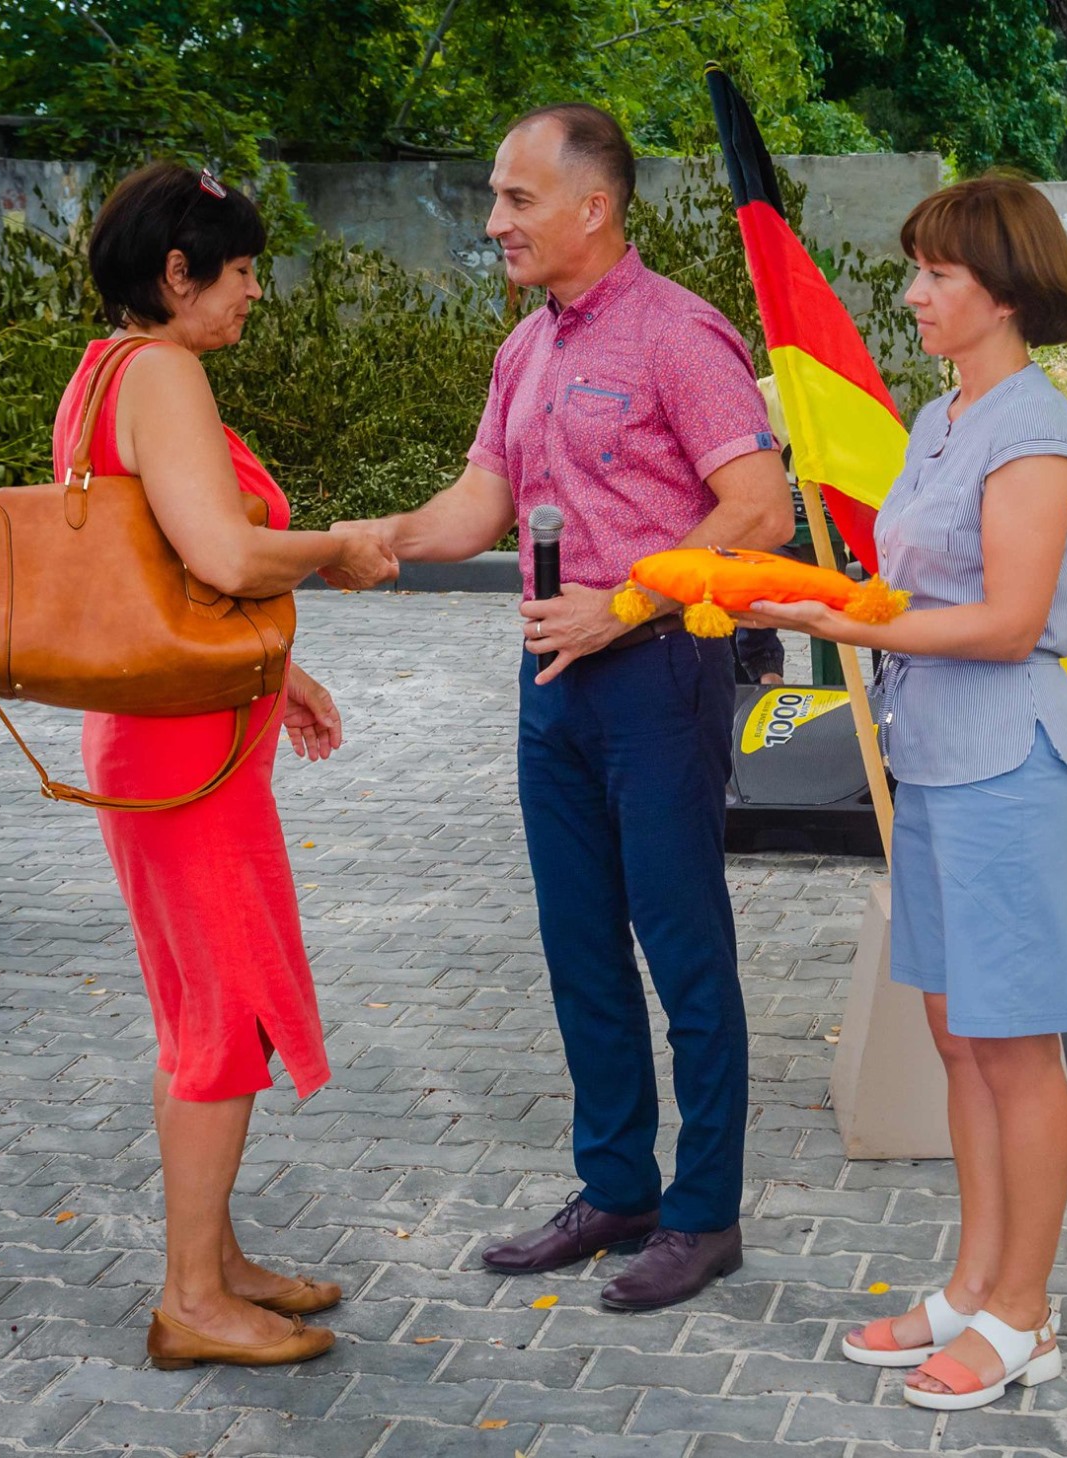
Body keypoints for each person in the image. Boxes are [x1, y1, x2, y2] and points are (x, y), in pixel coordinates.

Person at [329, 103, 793, 1311]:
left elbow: (759, 511)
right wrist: (354, 541)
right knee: (579, 946)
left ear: (594, 207)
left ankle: (703, 1216)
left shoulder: (677, 335)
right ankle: (615, 1190)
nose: (494, 222)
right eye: (494, 198)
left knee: (684, 950)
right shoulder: (524, 351)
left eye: (516, 200)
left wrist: (622, 607)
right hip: (553, 681)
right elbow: (476, 507)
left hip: (654, 677)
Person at [735, 174, 1067, 1412]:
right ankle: (972, 1281)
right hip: (933, 757)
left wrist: (832, 617)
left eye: (935, 274)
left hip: (1006, 761)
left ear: (1002, 289)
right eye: (916, 271)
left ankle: (1024, 1312)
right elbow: (909, 596)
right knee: (957, 1037)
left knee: (1012, 1044)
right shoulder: (944, 419)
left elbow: (1003, 623)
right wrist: (823, 605)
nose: (913, 294)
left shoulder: (1033, 426)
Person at [59, 163, 399, 1369]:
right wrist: (340, 550)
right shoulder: (164, 373)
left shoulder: (106, 370)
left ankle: (214, 1260)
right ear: (176, 274)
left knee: (201, 1010)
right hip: (184, 755)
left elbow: (164, 575)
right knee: (221, 1017)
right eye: (242, 269)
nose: (255, 291)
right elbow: (217, 549)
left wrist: (276, 673)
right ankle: (190, 1301)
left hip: (174, 728)